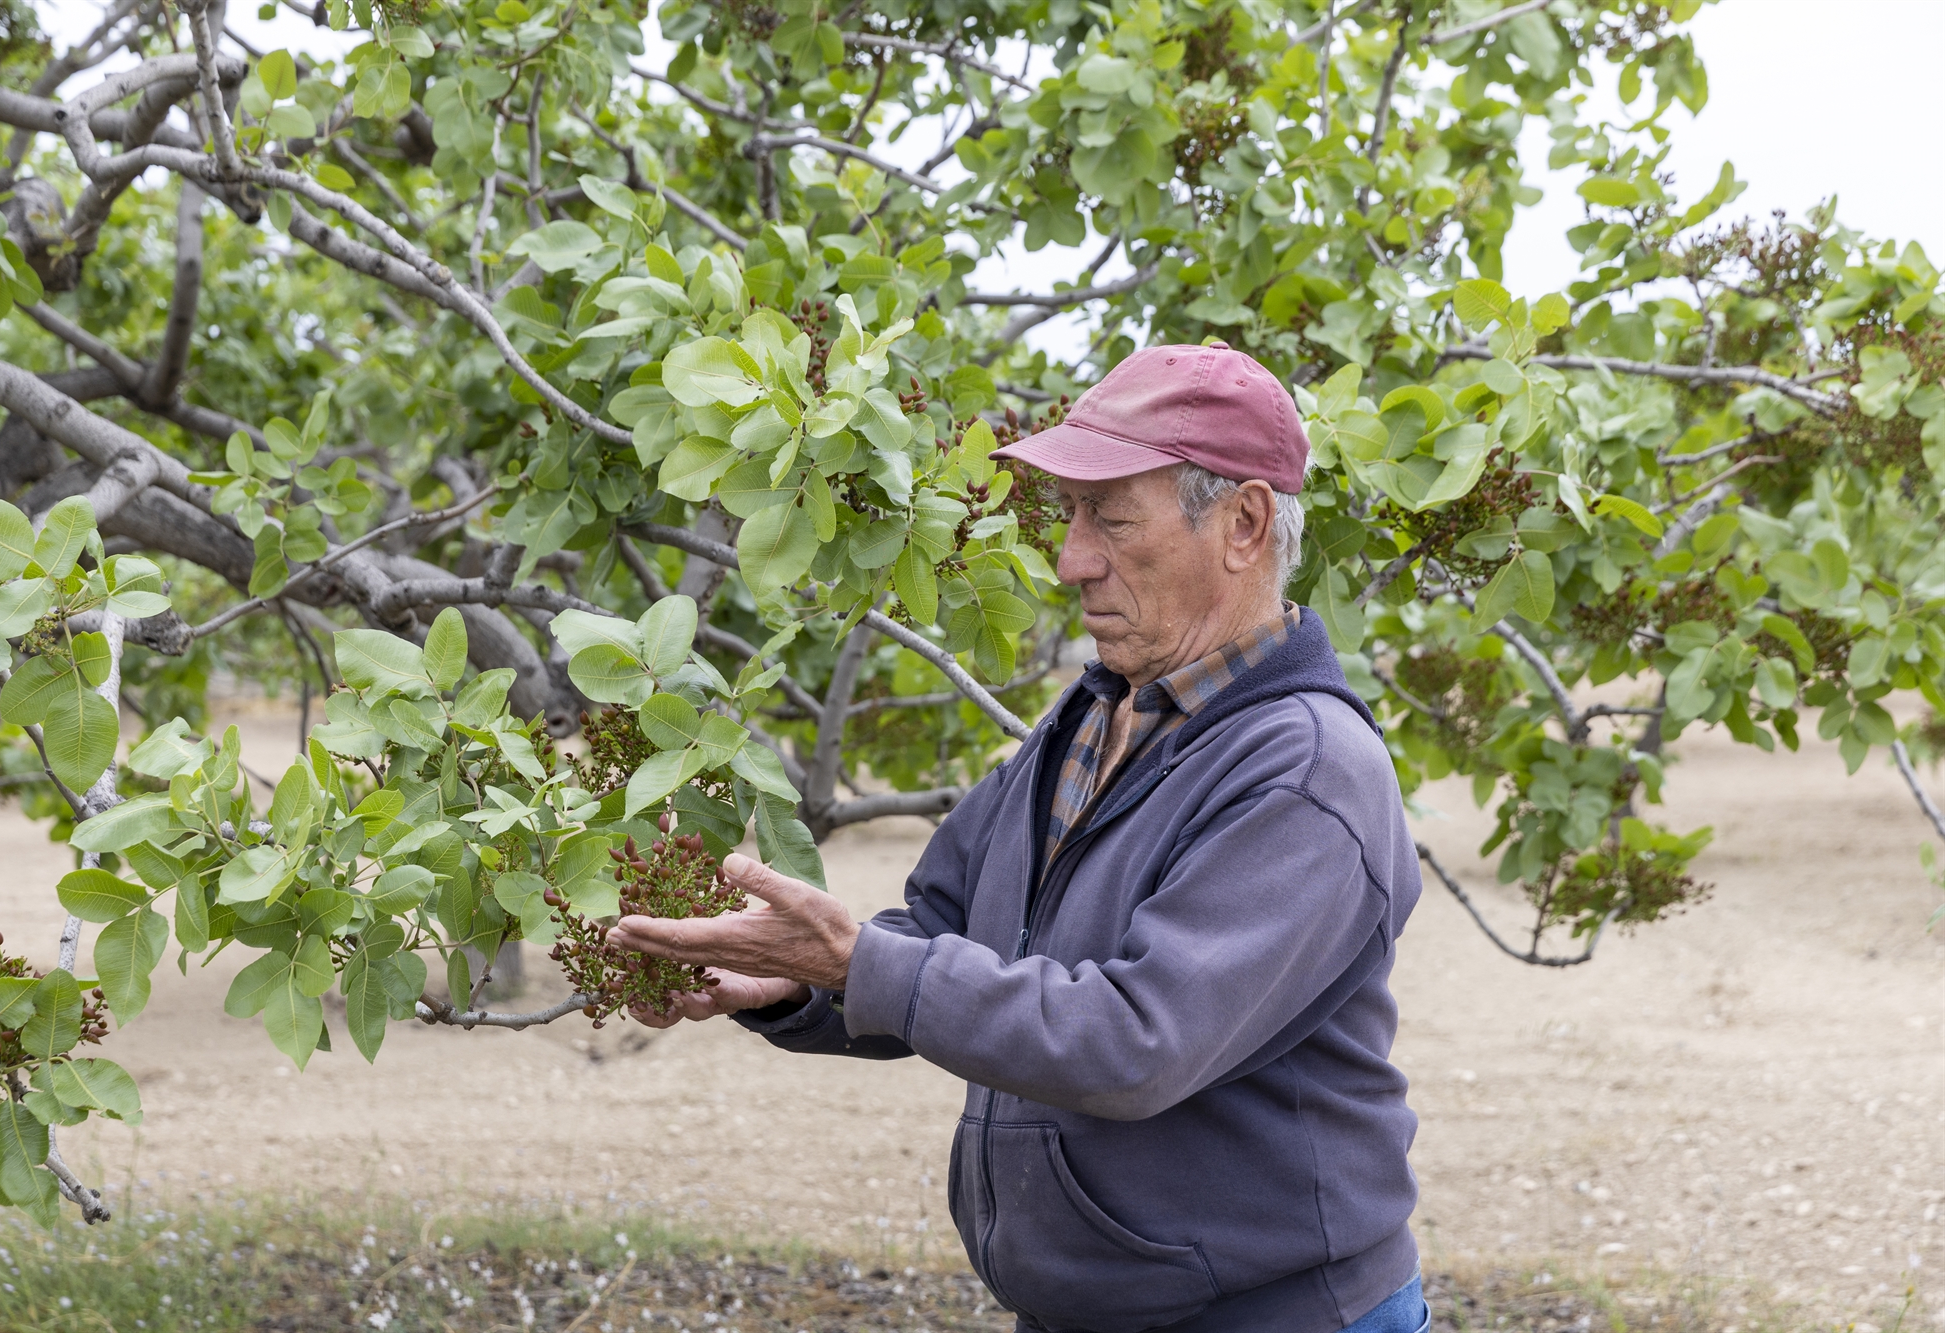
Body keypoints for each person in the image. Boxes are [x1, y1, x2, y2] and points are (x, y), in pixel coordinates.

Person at [607, 341, 1427, 1333]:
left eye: (1111, 520)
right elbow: (936, 932)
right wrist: (791, 979)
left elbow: (1133, 1043)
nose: (1070, 558)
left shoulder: (1303, 769)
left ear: (1243, 524)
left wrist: (857, 962)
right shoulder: (1088, 720)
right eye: (1073, 518)